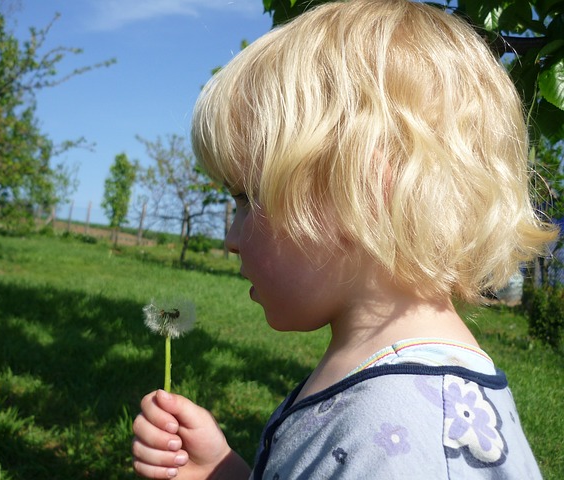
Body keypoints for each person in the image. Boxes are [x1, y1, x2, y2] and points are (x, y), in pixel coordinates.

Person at [131, 1, 559, 478]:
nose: (231, 238)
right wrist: (221, 472)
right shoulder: (389, 396)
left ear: (363, 189)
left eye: (248, 197)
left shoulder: (402, 439)